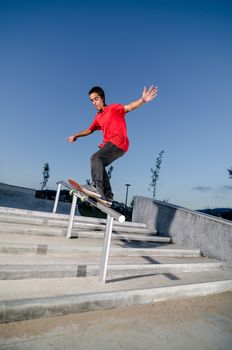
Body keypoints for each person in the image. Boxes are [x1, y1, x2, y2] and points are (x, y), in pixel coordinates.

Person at [66, 85, 158, 202]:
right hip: (116, 146)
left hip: (118, 141)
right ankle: (108, 196)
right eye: (91, 100)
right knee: (99, 164)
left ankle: (97, 189)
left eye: (96, 99)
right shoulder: (98, 117)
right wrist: (76, 135)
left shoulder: (113, 108)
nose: (94, 103)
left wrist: (143, 100)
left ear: (102, 98)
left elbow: (128, 107)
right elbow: (90, 130)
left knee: (95, 158)